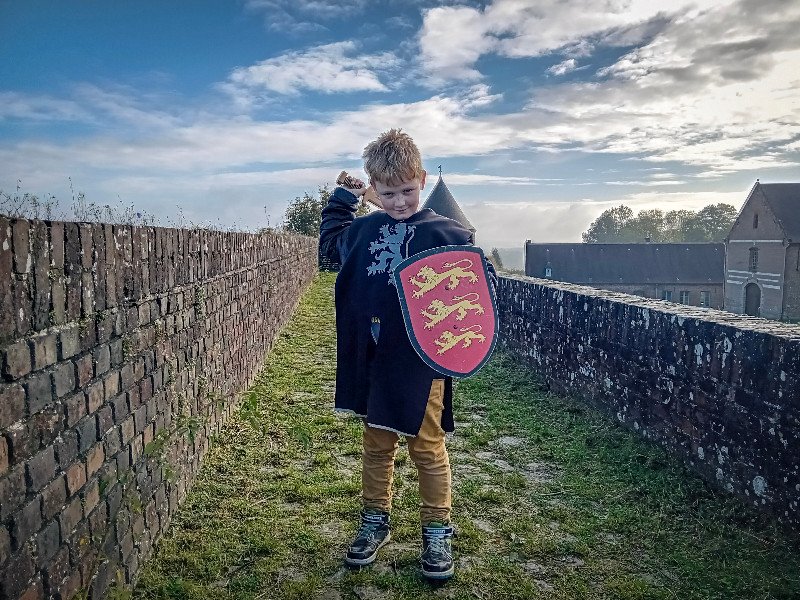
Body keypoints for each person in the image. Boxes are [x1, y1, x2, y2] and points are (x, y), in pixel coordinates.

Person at [319, 129, 496, 580]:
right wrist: (344, 197)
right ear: (373, 189)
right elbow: (329, 246)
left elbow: (476, 284)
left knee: (426, 447)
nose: (399, 202)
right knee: (377, 445)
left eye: (407, 191)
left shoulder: (446, 232)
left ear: (421, 179)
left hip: (420, 362)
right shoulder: (364, 230)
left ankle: (437, 529)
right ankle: (375, 520)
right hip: (374, 358)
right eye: (388, 193)